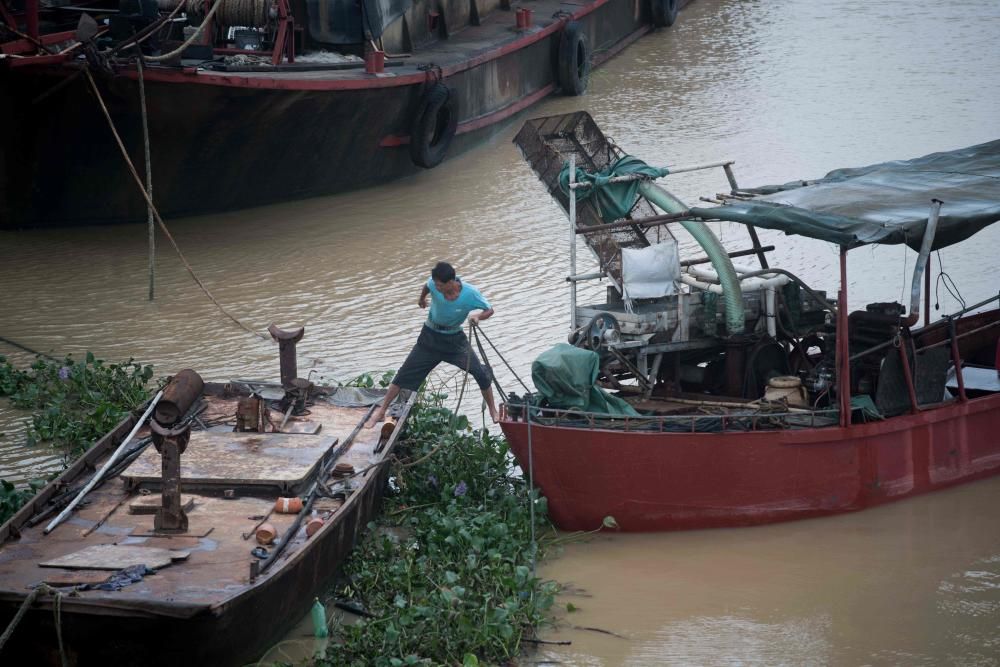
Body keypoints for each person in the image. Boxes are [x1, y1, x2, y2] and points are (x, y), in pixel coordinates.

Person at [365, 262, 499, 428]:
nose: (436, 287)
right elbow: (427, 286)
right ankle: (381, 411)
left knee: (481, 373)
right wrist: (421, 299)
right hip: (430, 337)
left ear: (451, 282)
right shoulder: (434, 285)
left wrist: (478, 317)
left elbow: (489, 309)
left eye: (440, 285)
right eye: (435, 283)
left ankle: (493, 410)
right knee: (403, 374)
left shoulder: (471, 294)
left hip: (455, 341)